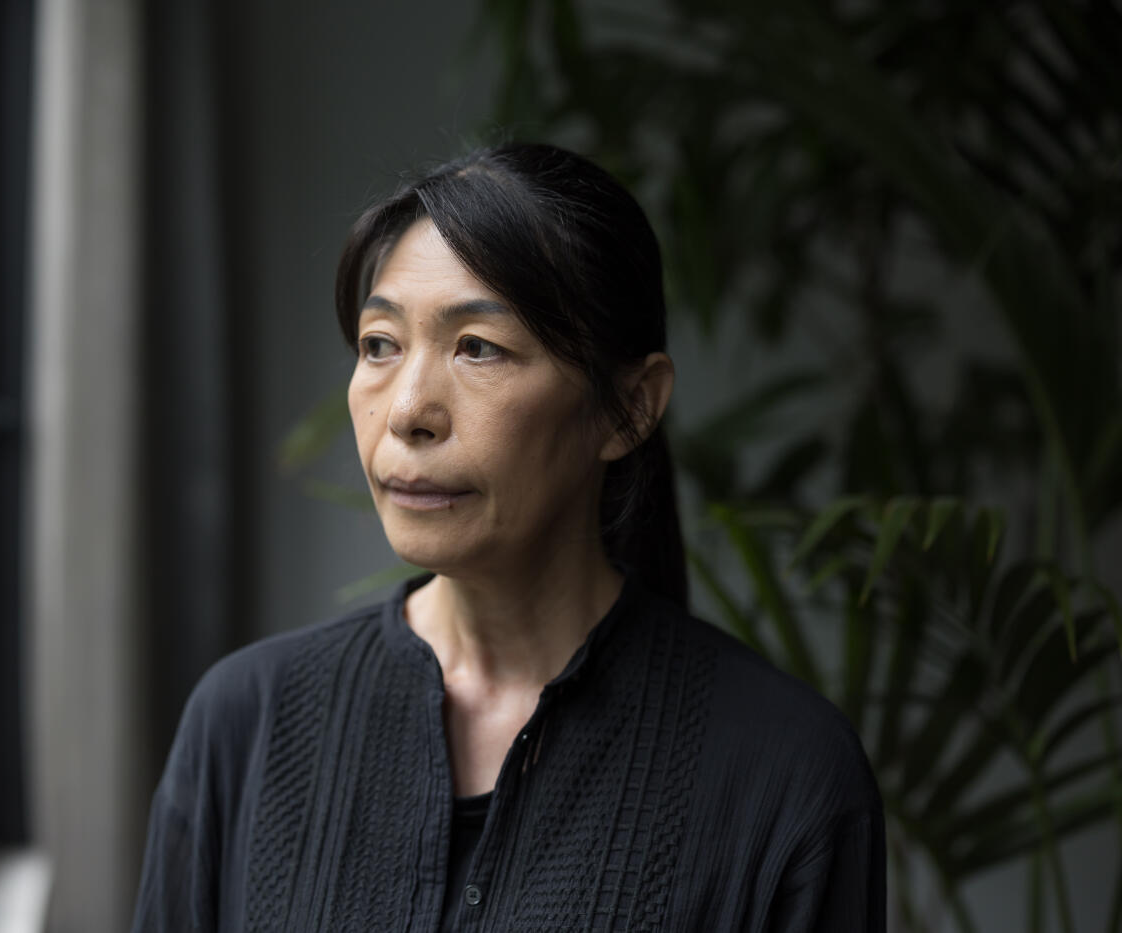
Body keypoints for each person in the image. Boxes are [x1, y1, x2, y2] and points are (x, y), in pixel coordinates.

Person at [132, 143, 885, 932]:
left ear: (629, 406)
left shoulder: (788, 776)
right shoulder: (246, 724)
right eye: (380, 343)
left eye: (478, 348)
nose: (408, 410)